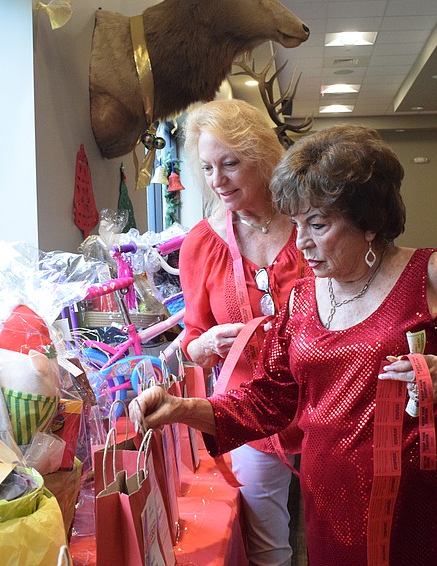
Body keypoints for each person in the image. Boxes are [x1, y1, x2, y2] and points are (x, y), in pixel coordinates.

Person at [131, 125, 437, 565]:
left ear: (368, 221)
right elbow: (268, 400)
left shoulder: (430, 276)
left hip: (427, 504)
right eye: (295, 225)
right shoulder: (302, 298)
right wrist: (181, 409)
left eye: (317, 224)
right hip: (333, 505)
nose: (301, 242)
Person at [176, 99, 310, 566]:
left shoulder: (311, 225)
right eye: (208, 167)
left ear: (262, 158)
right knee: (268, 546)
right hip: (249, 414)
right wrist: (205, 345)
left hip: (324, 405)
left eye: (230, 164)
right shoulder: (201, 244)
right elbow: (193, 337)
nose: (217, 180)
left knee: (341, 528)